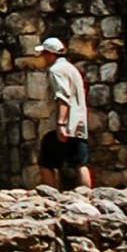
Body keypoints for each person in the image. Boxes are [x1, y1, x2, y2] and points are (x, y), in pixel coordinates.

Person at [39, 37, 94, 191]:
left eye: (44, 53)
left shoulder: (55, 70)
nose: (42, 57)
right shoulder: (71, 69)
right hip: (77, 124)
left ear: (50, 53)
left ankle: (49, 196)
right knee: (80, 163)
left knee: (46, 162)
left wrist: (60, 123)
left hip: (63, 124)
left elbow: (62, 96)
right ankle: (86, 196)